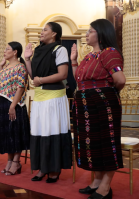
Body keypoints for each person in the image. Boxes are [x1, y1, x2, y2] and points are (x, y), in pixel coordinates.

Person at [71, 19, 125, 199]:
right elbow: (79, 80)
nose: (87, 34)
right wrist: (73, 62)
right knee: (92, 144)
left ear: (101, 33)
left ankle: (105, 187)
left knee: (106, 144)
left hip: (103, 104)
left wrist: (105, 94)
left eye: (91, 31)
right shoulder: (88, 56)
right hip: (86, 105)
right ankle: (96, 182)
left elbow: (120, 80)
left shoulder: (110, 53)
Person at [24, 22, 72, 183]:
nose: (41, 32)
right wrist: (27, 59)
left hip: (54, 97)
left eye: (45, 30)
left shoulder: (60, 49)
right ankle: (42, 168)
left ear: (54, 34)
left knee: (51, 131)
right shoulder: (38, 50)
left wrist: (41, 80)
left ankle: (54, 169)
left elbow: (63, 74)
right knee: (39, 132)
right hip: (39, 97)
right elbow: (33, 76)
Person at [0, 42, 30, 175]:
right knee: (6, 133)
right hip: (3, 102)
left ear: (15, 52)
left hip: (15, 103)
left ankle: (16, 162)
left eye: (7, 49)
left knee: (16, 132)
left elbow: (21, 87)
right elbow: (1, 83)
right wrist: (1, 66)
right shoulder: (5, 67)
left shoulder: (21, 67)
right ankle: (9, 161)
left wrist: (13, 105)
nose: (4, 51)